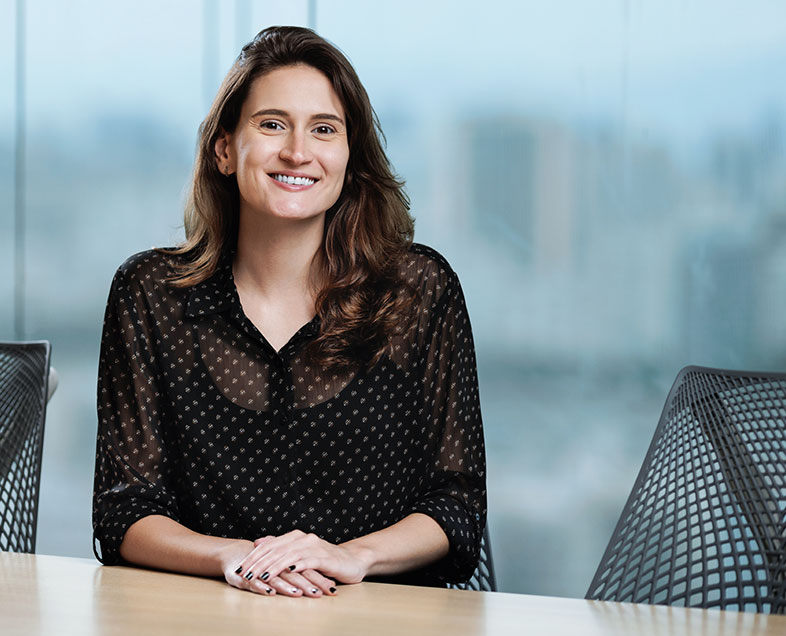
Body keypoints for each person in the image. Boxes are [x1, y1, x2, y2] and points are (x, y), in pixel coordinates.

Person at [92, 25, 486, 598]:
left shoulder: (417, 291)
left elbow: (458, 505)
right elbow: (123, 510)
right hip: (206, 618)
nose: (297, 152)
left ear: (349, 157)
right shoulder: (152, 294)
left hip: (379, 619)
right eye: (272, 124)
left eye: (323, 130)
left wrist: (349, 557)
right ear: (225, 149)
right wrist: (237, 558)